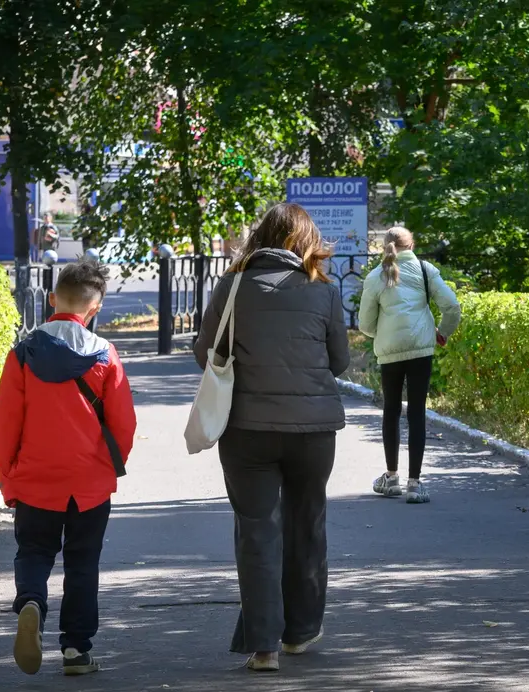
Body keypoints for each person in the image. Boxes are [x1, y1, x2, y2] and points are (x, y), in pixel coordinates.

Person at [194, 203, 350, 672]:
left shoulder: (233, 284)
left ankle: (264, 647)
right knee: (308, 522)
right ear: (305, 239)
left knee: (257, 531)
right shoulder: (324, 291)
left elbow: (206, 352)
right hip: (313, 431)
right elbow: (339, 362)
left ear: (260, 236)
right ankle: (300, 632)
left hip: (247, 430)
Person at [0, 259, 137, 677]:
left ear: (53, 300)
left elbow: (5, 422)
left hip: (36, 479)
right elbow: (123, 423)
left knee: (35, 551)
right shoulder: (105, 355)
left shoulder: (21, 355)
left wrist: (8, 473)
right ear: (96, 308)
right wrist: (111, 464)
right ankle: (76, 650)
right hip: (89, 483)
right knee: (82, 562)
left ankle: (32, 602)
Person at [358, 226, 461, 504]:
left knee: (391, 410)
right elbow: (451, 305)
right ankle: (415, 484)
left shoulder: (375, 277)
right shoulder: (425, 271)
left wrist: (382, 334)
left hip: (390, 353)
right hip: (421, 349)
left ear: (385, 247)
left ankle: (391, 479)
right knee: (417, 412)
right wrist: (443, 332)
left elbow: (365, 324)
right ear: (412, 245)